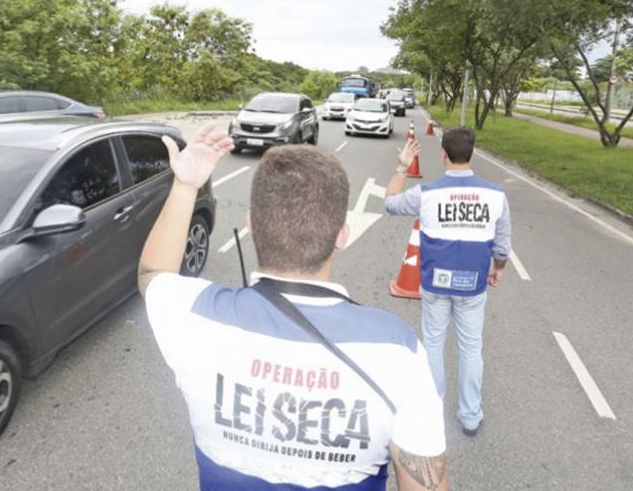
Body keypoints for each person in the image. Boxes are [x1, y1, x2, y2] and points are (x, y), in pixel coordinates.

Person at [137, 123, 449, 491]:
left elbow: (153, 273)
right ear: (342, 236)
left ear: (251, 225)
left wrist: (185, 185)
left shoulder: (196, 319)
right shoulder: (398, 350)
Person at [383, 127, 512, 437]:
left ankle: (432, 412)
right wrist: (499, 268)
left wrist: (403, 166)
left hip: (435, 285)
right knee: (470, 349)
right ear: (472, 154)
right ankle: (470, 417)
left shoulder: (426, 194)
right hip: (473, 286)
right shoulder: (496, 195)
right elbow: (502, 244)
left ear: (443, 154)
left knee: (434, 346)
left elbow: (390, 203)